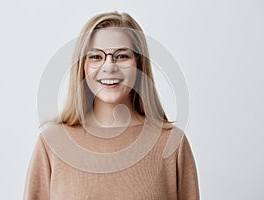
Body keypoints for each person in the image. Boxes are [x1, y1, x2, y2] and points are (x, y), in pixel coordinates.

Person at [23, 11, 199, 200]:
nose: (109, 66)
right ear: (83, 66)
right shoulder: (53, 143)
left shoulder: (172, 143)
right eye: (96, 57)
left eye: (122, 56)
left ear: (139, 65)